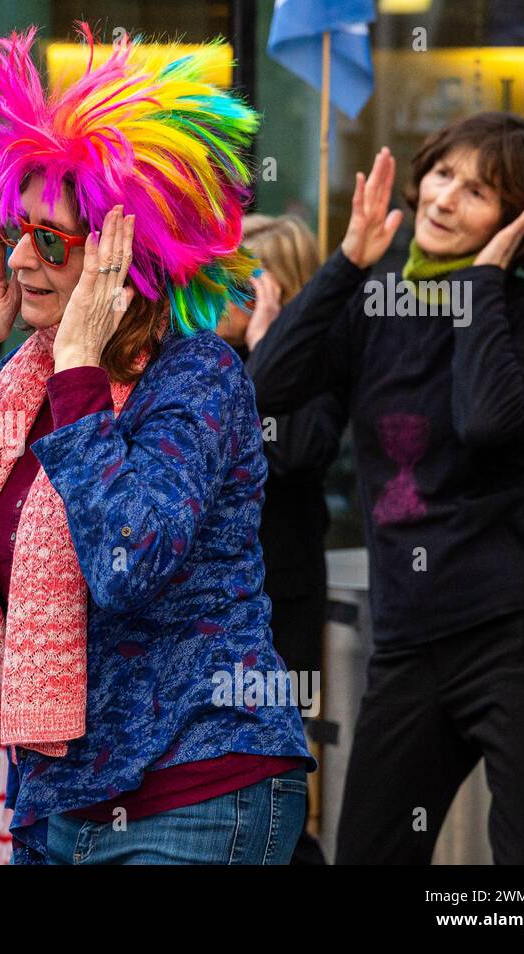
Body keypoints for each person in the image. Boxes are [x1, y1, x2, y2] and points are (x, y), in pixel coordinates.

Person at [0, 25, 314, 865]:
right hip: (60, 797)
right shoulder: (12, 376)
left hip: (196, 786)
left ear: (126, 256)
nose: (20, 257)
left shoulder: (197, 376)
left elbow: (130, 560)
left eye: (50, 241)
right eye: (16, 231)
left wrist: (82, 375)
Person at [246, 111, 524, 864]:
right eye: (442, 174)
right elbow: (268, 391)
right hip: (409, 642)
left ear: (517, 216)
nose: (444, 199)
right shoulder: (373, 303)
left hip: (520, 630)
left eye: (478, 192)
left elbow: (486, 421)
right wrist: (344, 263)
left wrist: (480, 285)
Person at [220, 214, 346, 865]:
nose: (226, 300)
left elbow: (290, 453)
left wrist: (270, 349)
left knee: (275, 769)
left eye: (245, 287)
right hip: (219, 600)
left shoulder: (318, 368)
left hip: (284, 595)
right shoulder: (209, 361)